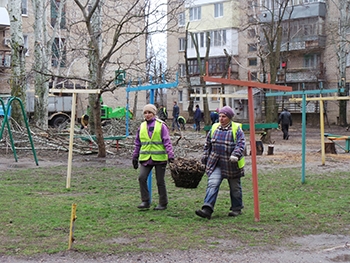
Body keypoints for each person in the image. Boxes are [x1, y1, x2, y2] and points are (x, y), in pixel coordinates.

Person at [195, 106, 246, 219]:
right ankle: (207, 209)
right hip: (216, 163)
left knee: (235, 187)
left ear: (229, 118)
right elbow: (207, 144)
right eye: (220, 116)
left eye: (224, 116)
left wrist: (235, 154)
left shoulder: (236, 129)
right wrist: (205, 157)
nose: (221, 119)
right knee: (212, 184)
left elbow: (241, 144)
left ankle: (236, 208)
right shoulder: (214, 128)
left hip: (231, 164)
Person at [132, 104, 175, 211]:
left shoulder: (161, 125)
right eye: (145, 113)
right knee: (142, 178)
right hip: (146, 158)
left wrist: (170, 155)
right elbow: (138, 143)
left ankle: (163, 202)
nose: (147, 115)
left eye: (149, 113)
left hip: (159, 158)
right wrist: (135, 156)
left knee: (160, 181)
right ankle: (145, 200)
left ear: (154, 114)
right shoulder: (141, 126)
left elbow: (167, 141)